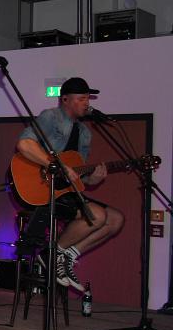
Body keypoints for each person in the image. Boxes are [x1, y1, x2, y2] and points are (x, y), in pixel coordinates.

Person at [16, 77, 123, 291]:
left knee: (115, 219)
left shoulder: (85, 133)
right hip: (43, 188)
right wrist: (57, 165)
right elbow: (24, 144)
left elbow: (79, 176)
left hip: (65, 190)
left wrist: (93, 178)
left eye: (88, 99)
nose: (87, 103)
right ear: (65, 99)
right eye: (81, 98)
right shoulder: (51, 117)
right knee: (97, 215)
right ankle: (51, 253)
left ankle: (66, 256)